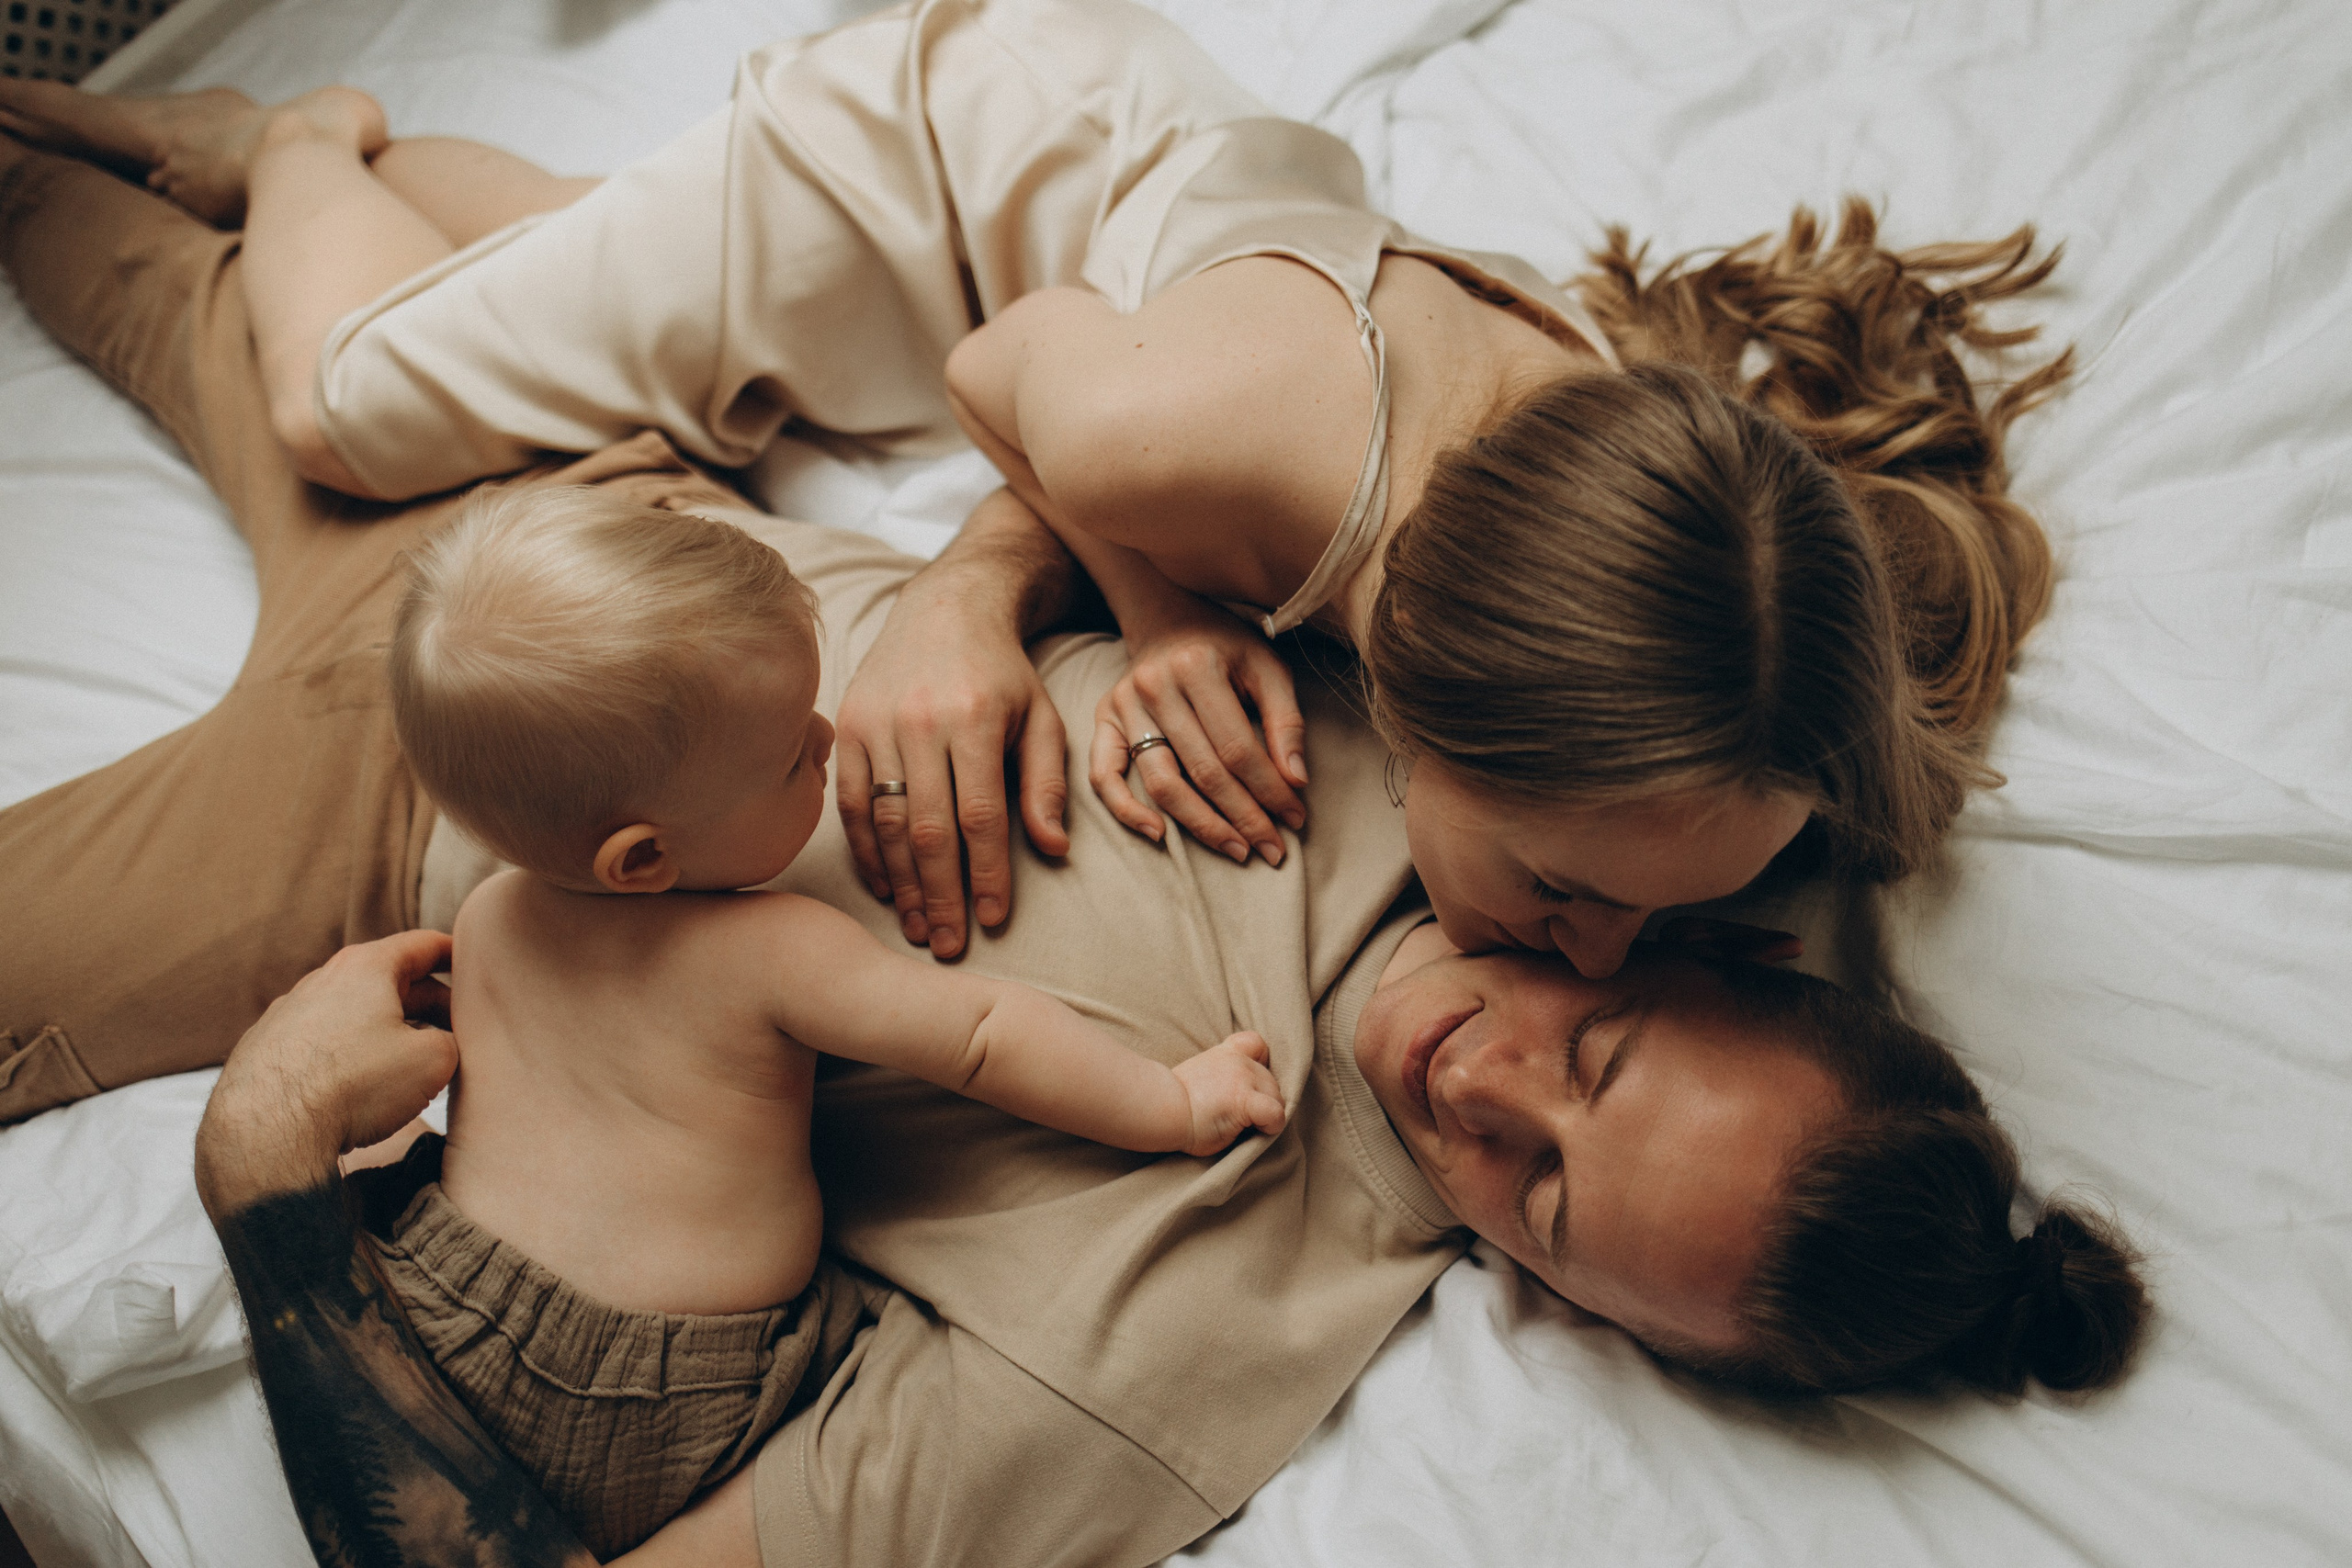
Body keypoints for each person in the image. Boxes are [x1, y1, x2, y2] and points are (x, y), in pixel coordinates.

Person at [0, 126, 2145, 1567]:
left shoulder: (1181, 1334)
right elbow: (1289, 406)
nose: (1482, 1081)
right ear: (1721, 945)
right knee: (151, 211)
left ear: (1597, 1320)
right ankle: (276, 151)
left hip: (378, 826)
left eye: (1547, 1201)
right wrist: (975, 588)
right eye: (1593, 1049)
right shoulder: (1574, 763)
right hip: (616, 531)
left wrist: (267, 1182)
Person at [0, 0, 2068, 978]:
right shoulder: (1186, 444)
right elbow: (1006, 366)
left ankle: (536, 231)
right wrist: (1147, 605)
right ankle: (294, 138)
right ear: (1419, 699)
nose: (1587, 952)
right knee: (352, 408)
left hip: (1168, 237)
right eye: (1563, 888)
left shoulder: (1673, 536)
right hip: (942, 175)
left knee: (604, 271)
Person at [368, 484, 1284, 1554]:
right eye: (790, 758)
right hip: (656, 1395)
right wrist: (1172, 1103)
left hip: (429, 1312)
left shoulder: (486, 919)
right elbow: (982, 1038)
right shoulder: (769, 949)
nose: (829, 733)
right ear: (643, 859)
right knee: (916, 1358)